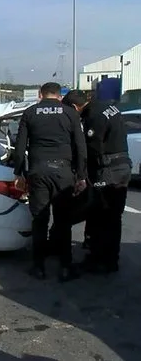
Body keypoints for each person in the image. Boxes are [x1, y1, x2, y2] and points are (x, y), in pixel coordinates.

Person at [13, 82, 87, 282]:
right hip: (63, 172)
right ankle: (65, 267)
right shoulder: (70, 113)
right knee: (63, 221)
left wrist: (18, 173)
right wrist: (81, 175)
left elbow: (20, 147)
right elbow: (80, 147)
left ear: (40, 94)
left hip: (38, 171)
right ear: (60, 96)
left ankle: (38, 267)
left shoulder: (30, 113)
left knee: (40, 220)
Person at [62, 90, 130, 273]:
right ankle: (111, 260)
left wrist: (82, 174)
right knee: (114, 217)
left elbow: (93, 149)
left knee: (100, 214)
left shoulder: (93, 116)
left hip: (108, 169)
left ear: (74, 107)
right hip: (123, 166)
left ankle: (98, 259)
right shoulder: (107, 106)